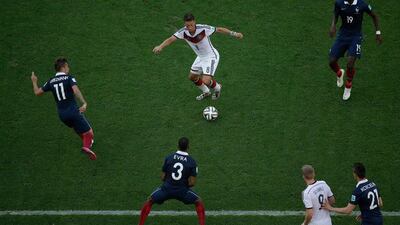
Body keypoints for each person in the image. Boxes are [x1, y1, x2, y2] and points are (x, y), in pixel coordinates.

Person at [153, 12, 243, 100]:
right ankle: (206, 92)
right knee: (192, 77)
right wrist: (160, 46)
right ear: (185, 24)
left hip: (211, 56)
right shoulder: (183, 32)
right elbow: (171, 39)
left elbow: (219, 29)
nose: (190, 27)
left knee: (206, 81)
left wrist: (234, 34)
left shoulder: (203, 29)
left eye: (191, 25)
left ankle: (218, 88)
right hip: (200, 57)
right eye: (187, 26)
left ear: (194, 22)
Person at [30, 57, 96, 160]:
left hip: (62, 115)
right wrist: (84, 103)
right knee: (89, 133)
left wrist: (34, 81)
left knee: (77, 127)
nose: (68, 68)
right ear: (64, 67)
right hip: (73, 112)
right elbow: (76, 90)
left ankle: (87, 144)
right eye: (67, 66)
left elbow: (37, 92)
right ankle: (86, 146)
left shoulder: (51, 81)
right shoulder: (69, 78)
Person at [137, 137, 205, 225]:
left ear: (178, 145)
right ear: (188, 146)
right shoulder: (192, 162)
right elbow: (192, 183)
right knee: (198, 201)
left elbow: (162, 177)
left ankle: (140, 224)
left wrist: (170, 182)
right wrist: (183, 185)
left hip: (167, 189)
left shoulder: (169, 157)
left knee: (150, 200)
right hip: (182, 191)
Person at [328, 0, 382, 100]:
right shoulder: (339, 3)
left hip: (355, 37)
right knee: (331, 61)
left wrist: (378, 32)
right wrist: (333, 25)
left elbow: (374, 16)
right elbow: (335, 13)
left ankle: (348, 85)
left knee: (350, 64)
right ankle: (339, 73)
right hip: (342, 35)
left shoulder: (362, 5)